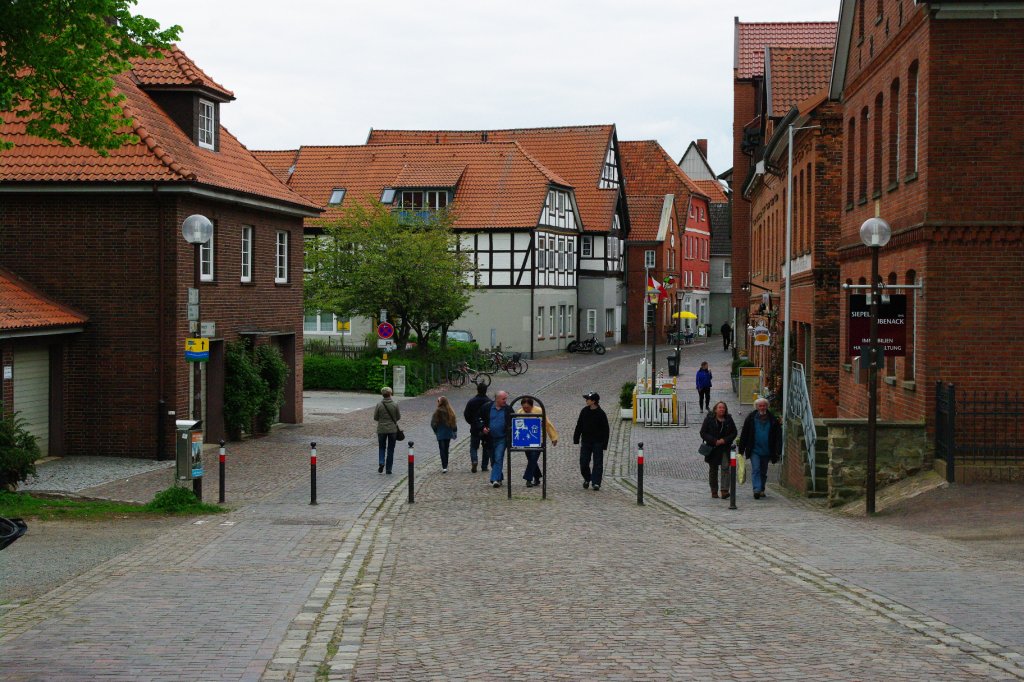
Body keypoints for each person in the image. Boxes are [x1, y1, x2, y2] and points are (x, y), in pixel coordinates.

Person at [738, 397, 782, 499]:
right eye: (760, 406)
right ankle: (756, 489)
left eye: (764, 405)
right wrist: (741, 449)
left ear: (767, 406)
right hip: (755, 450)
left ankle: (762, 488)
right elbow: (745, 433)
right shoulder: (751, 418)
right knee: (756, 469)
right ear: (756, 407)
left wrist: (778, 449)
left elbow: (778, 436)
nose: (762, 407)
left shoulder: (772, 420)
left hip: (767, 450)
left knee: (763, 471)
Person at [699, 401, 738, 499]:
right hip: (713, 448)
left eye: (723, 408)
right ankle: (714, 490)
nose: (721, 409)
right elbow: (703, 433)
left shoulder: (729, 419)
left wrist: (724, 440)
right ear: (715, 409)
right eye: (720, 408)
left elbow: (734, 432)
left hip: (725, 448)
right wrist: (714, 440)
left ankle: (724, 490)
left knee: (725, 468)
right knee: (713, 470)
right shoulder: (709, 419)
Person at [517, 397, 558, 487]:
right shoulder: (519, 412)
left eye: (527, 407)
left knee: (533, 458)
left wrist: (553, 437)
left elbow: (547, 424)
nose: (525, 409)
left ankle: (528, 479)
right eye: (524, 407)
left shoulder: (539, 411)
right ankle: (537, 477)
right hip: (526, 441)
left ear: (532, 406)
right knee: (532, 459)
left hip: (538, 440)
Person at [573, 392, 609, 491]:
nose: (586, 400)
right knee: (583, 462)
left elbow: (606, 430)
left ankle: (596, 482)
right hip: (586, 441)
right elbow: (579, 425)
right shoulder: (584, 411)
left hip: (598, 442)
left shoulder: (601, 414)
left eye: (588, 399)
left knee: (598, 463)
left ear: (593, 401)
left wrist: (604, 444)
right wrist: (576, 438)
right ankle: (587, 478)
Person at [475, 390, 511, 488]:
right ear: (497, 399)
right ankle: (499, 477)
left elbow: (513, 422)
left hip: (502, 439)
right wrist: (483, 427)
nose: (505, 401)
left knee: (498, 458)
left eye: (506, 398)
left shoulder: (508, 409)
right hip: (489, 439)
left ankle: (494, 479)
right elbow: (478, 418)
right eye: (503, 399)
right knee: (493, 459)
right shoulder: (487, 407)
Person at [373, 386, 401, 475]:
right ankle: (389, 469)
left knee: (381, 447)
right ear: (390, 394)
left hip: (381, 429)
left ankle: (381, 462)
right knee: (391, 449)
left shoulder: (379, 405)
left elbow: (375, 417)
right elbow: (398, 417)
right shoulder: (394, 404)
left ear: (382, 394)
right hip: (392, 430)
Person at [463, 382, 490, 472]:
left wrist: (471, 422)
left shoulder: (471, 401)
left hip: (475, 427)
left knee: (474, 446)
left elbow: (466, 414)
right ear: (486, 390)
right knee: (486, 446)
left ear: (477, 390)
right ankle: (484, 465)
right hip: (486, 427)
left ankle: (474, 460)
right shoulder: (489, 402)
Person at [430, 396, 458, 473]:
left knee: (442, 449)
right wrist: (454, 431)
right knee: (446, 448)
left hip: (440, 433)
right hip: (448, 433)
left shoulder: (437, 411)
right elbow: (454, 423)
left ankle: (444, 466)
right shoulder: (450, 411)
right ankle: (446, 464)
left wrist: (436, 431)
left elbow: (433, 423)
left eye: (438, 401)